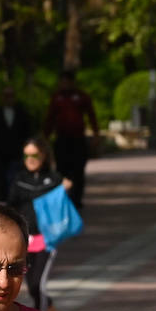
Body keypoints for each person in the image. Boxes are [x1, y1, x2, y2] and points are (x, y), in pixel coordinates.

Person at [5, 137, 72, 311]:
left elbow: (63, 207)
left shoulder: (54, 179)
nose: (30, 159)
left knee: (38, 285)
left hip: (47, 240)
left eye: (34, 154)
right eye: (26, 155)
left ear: (43, 155)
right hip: (25, 241)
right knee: (32, 286)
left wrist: (65, 190)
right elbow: (11, 206)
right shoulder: (19, 180)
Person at [43, 70, 98, 209]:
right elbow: (50, 119)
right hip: (62, 140)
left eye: (68, 81)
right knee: (62, 171)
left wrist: (96, 134)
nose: (65, 84)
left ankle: (77, 200)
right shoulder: (56, 98)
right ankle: (64, 199)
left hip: (78, 140)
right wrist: (45, 137)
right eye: (63, 81)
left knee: (78, 171)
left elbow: (91, 116)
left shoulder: (81, 96)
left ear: (72, 82)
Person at [0, 85, 36, 200]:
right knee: (1, 178)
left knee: (15, 177)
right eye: (6, 96)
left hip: (17, 152)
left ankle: (14, 199)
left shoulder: (22, 113)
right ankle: (4, 200)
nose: (9, 98)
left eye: (11, 96)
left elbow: (27, 133)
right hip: (0, 152)